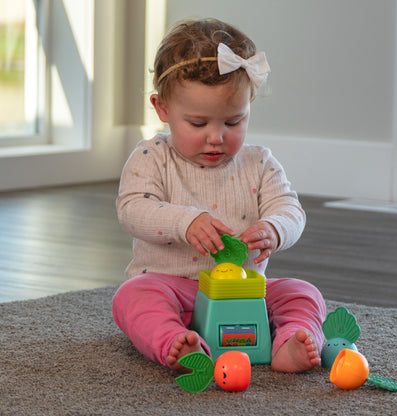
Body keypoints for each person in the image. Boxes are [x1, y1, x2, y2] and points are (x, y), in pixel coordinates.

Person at [113, 18, 326, 374]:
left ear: (249, 105)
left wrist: (274, 228)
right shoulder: (152, 157)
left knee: (303, 292)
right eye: (198, 124)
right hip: (174, 291)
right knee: (132, 296)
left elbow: (290, 209)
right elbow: (132, 209)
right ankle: (175, 342)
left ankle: (293, 339)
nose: (217, 137)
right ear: (162, 108)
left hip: (245, 295)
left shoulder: (259, 163)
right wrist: (185, 221)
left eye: (233, 122)